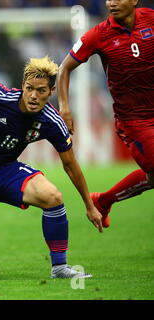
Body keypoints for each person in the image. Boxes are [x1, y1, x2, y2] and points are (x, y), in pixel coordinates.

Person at [0, 17, 103, 280]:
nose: (33, 96)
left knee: (53, 197)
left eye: (40, 90)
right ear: (23, 86)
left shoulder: (52, 121)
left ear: (50, 91)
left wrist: (89, 205)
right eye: (29, 89)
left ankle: (59, 267)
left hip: (6, 172)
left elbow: (70, 164)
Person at [57, 0, 153, 228]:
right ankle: (103, 201)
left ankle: (103, 201)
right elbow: (64, 68)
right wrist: (64, 107)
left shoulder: (150, 18)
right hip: (134, 122)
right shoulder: (99, 35)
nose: (112, 3)